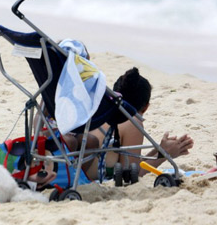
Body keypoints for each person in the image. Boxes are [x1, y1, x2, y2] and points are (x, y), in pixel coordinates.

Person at [65, 67, 194, 180]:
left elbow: (133, 163)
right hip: (75, 172)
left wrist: (159, 150)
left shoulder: (101, 113)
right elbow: (132, 175)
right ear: (146, 107)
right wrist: (166, 155)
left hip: (65, 159)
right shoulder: (131, 121)